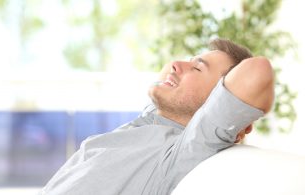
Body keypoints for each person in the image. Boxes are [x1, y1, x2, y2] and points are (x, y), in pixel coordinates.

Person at [40, 38, 275, 195]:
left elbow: (257, 71)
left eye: (197, 68)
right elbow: (167, 74)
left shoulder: (184, 149)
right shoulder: (147, 121)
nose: (175, 65)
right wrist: (191, 71)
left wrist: (234, 117)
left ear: (218, 103)